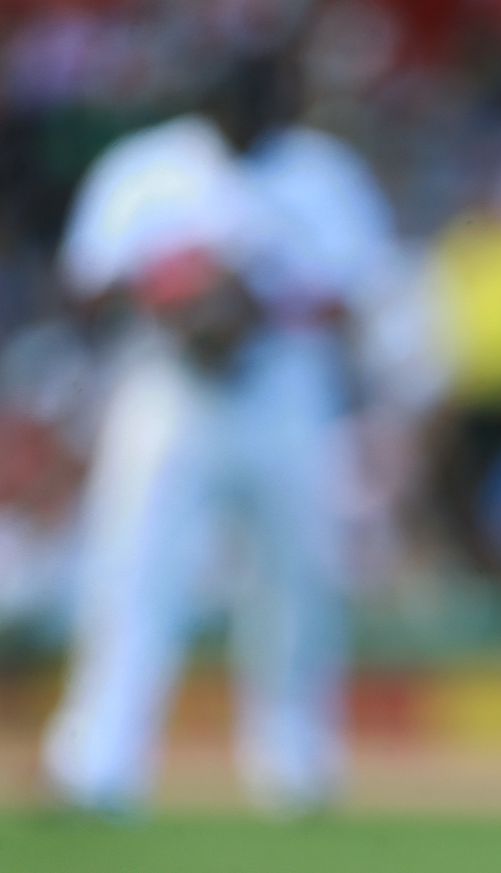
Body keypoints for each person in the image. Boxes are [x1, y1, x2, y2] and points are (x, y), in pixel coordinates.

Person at [42, 52, 395, 814]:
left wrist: (262, 293)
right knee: (133, 572)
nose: (251, 114)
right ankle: (98, 765)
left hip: (286, 386)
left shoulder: (321, 173)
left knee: (296, 580)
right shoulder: (148, 167)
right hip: (168, 387)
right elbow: (86, 281)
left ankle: (296, 770)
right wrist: (178, 285)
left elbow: (362, 293)